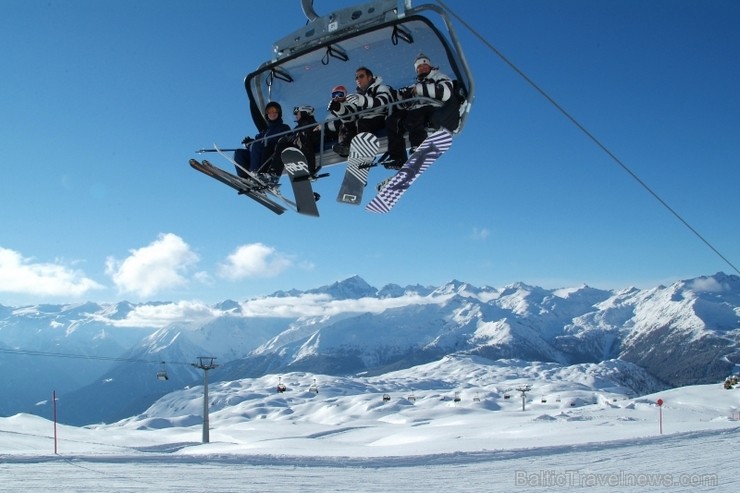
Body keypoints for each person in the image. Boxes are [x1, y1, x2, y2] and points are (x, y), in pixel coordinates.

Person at [384, 53, 459, 168]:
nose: (422, 68)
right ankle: (397, 157)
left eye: (424, 66)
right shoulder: (416, 84)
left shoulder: (439, 76)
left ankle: (418, 146)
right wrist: (403, 97)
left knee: (414, 116)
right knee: (392, 120)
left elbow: (445, 92)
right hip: (417, 108)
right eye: (419, 67)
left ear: (430, 66)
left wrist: (418, 90)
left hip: (434, 107)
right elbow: (403, 104)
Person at [330, 66, 394, 157]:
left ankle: (365, 151)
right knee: (347, 124)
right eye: (356, 77)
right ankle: (346, 147)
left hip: (381, 117)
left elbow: (381, 104)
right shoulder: (358, 96)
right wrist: (338, 109)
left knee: (362, 122)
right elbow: (352, 115)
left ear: (369, 77)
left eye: (361, 76)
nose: (358, 79)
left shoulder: (380, 88)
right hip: (365, 119)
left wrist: (361, 100)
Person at [260, 105, 322, 183]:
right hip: (298, 144)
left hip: (306, 146)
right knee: (280, 143)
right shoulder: (299, 126)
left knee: (301, 138)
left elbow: (310, 140)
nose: (296, 116)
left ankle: (309, 169)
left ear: (304, 113)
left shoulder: (311, 124)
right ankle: (271, 173)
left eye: (297, 113)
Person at [234, 101, 290, 179]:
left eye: (274, 111)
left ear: (279, 113)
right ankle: (244, 177)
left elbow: (283, 140)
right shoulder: (265, 131)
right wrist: (250, 142)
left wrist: (257, 144)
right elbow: (257, 143)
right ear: (267, 114)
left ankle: (256, 174)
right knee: (239, 153)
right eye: (269, 112)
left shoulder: (283, 127)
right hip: (259, 155)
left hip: (270, 155)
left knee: (257, 146)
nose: (272, 114)